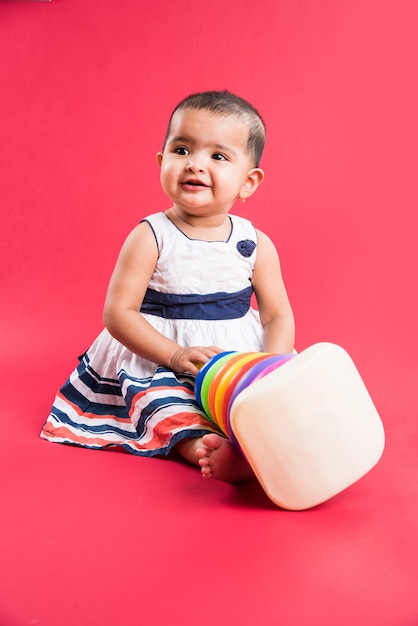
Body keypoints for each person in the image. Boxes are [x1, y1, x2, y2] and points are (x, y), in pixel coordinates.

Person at [41, 90, 295, 482]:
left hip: (236, 358)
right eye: (182, 150)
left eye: (218, 156)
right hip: (159, 357)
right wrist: (175, 356)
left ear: (249, 182)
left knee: (273, 399)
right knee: (161, 403)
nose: (195, 164)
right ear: (161, 162)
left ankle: (260, 436)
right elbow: (118, 313)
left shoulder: (255, 243)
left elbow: (277, 314)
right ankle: (204, 449)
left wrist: (271, 365)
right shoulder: (152, 236)